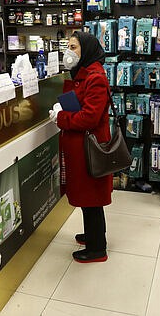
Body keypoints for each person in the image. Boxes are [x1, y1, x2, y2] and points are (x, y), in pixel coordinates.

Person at [49, 31, 112, 263]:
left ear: (85, 49)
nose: (69, 52)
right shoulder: (84, 73)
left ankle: (97, 249)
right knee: (88, 197)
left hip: (89, 147)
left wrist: (61, 117)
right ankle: (93, 236)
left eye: (73, 47)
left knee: (91, 198)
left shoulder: (95, 77)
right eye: (68, 46)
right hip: (82, 146)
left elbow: (89, 118)